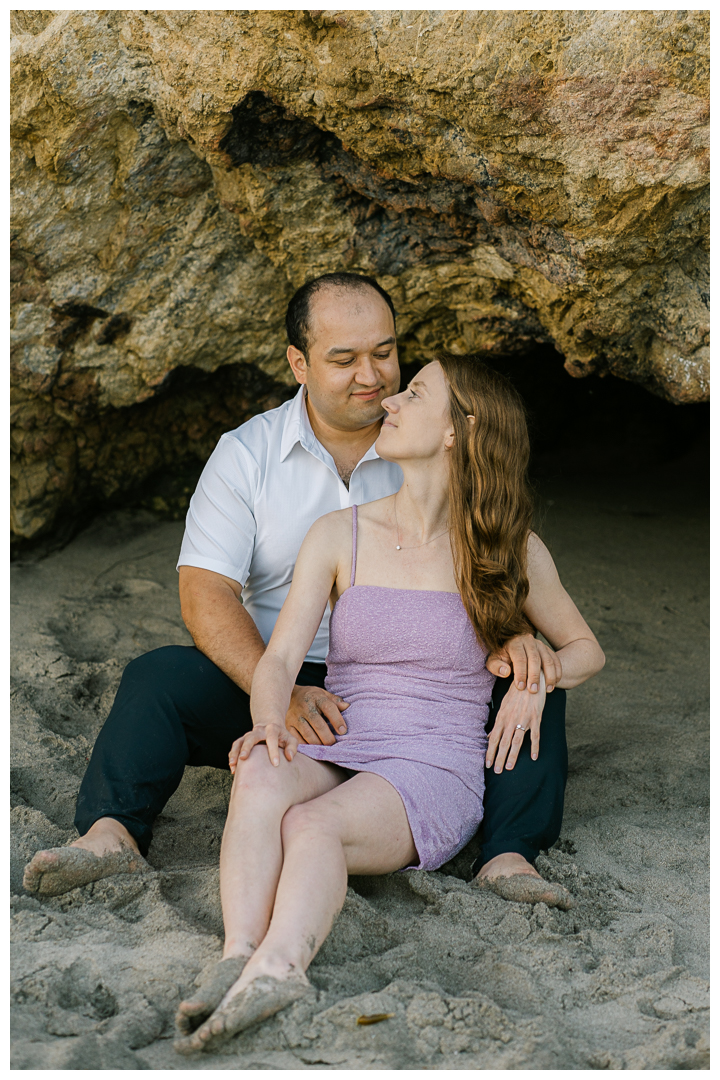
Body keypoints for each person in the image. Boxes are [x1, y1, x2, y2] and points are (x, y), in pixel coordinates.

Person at [23, 273, 566, 906]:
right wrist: (272, 689)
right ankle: (112, 833)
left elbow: (488, 554)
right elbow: (205, 593)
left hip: (415, 681)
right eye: (344, 360)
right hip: (275, 664)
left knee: (533, 684)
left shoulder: (422, 444)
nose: (373, 376)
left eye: (385, 353)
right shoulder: (246, 455)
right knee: (158, 679)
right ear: (298, 364)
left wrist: (519, 637)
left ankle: (508, 854)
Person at [172, 353, 605, 1054]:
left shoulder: (507, 549)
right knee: (257, 771)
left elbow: (588, 647)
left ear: (457, 432)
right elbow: (281, 657)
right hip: (343, 736)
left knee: (312, 827)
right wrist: (264, 723)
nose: (390, 400)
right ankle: (237, 953)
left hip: (431, 766)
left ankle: (281, 969)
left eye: (415, 393)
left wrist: (539, 675)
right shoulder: (340, 533)